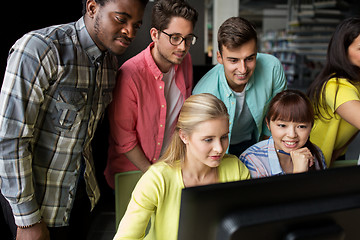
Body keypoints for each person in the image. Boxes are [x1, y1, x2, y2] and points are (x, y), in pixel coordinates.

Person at [0, 0, 147, 239]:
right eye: (121, 19)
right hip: (36, 210)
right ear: (92, 8)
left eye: (136, 25)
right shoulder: (41, 48)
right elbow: (10, 140)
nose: (130, 31)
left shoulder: (110, 64)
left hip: (81, 201)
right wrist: (28, 220)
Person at [113, 93, 250, 240]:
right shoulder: (157, 179)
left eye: (223, 137)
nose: (219, 148)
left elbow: (248, 229)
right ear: (184, 136)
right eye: (208, 139)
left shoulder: (236, 169)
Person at [104, 0, 198, 189]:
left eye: (188, 38)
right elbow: (124, 140)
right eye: (175, 37)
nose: (182, 47)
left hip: (169, 168)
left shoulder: (185, 61)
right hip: (133, 174)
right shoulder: (130, 75)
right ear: (155, 34)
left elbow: (183, 116)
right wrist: (153, 175)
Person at [193, 16, 287, 157]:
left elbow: (278, 115)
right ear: (219, 57)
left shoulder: (272, 68)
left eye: (250, 58)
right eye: (233, 60)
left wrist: (261, 154)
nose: (243, 69)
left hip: (258, 139)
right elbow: (202, 144)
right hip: (220, 149)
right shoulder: (203, 93)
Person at [307, 17, 360, 167]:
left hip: (330, 159)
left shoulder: (357, 82)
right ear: (344, 51)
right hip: (310, 163)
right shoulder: (336, 86)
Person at [240, 90, 326, 178]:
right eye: (282, 125)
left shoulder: (316, 154)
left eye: (301, 126)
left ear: (311, 127)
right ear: (268, 124)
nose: (292, 135)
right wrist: (299, 173)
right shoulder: (252, 160)